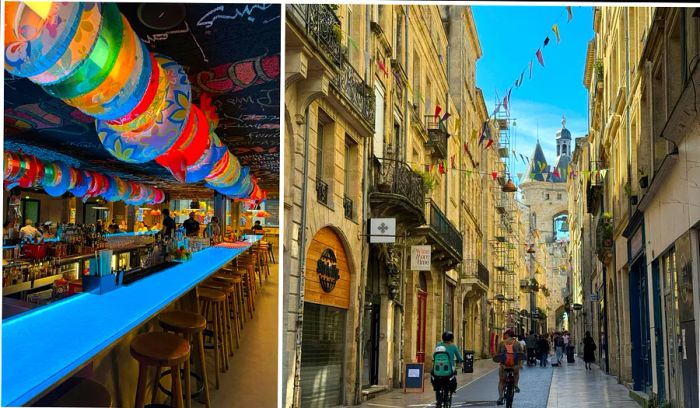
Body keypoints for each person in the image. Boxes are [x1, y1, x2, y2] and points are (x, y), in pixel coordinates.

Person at [495, 329, 524, 405]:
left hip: (504, 366)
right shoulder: (517, 343)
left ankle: (500, 397)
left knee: (501, 381)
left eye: (505, 334)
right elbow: (521, 354)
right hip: (514, 366)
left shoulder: (502, 343)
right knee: (516, 374)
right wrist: (519, 364)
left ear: (507, 335)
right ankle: (516, 385)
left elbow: (497, 354)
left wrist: (499, 360)